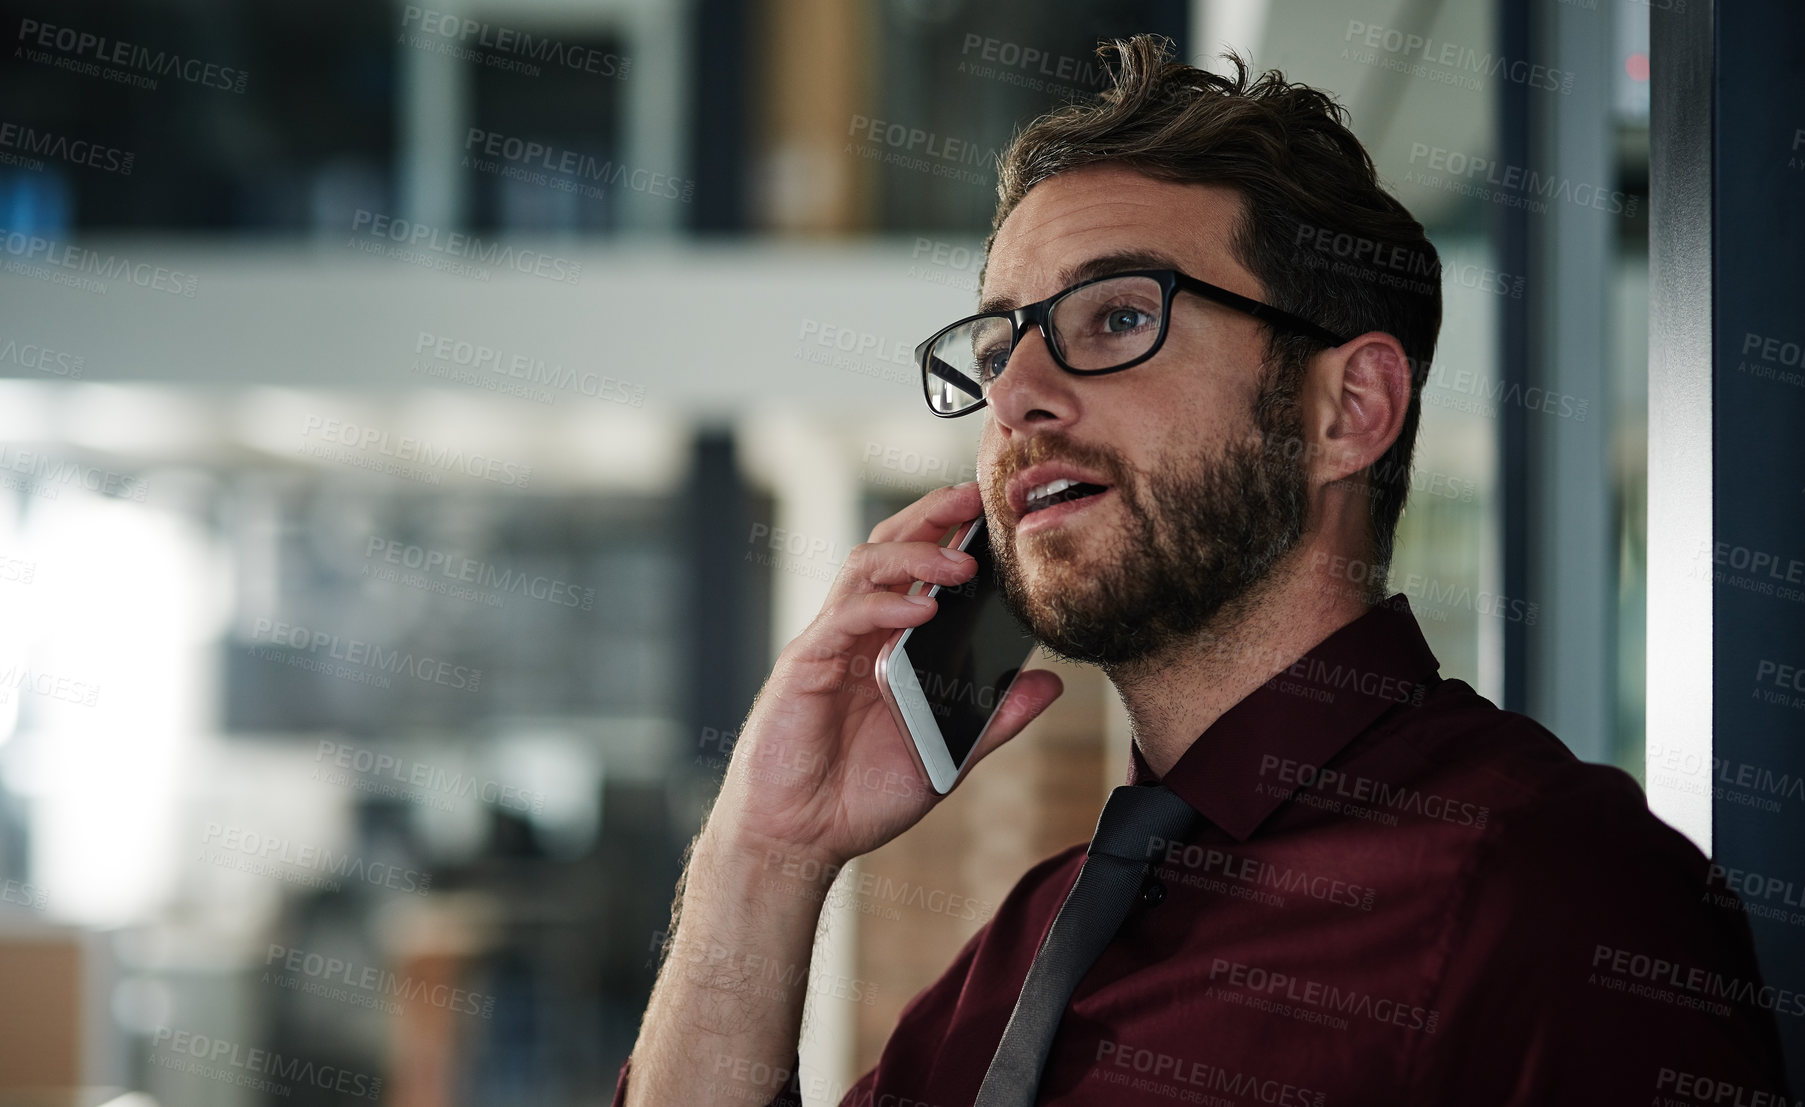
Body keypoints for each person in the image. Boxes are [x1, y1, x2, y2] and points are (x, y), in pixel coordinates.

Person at [616, 35, 1792, 1106]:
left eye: (1118, 317)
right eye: (996, 344)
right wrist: (763, 854)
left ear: (1348, 409)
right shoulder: (1030, 948)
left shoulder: (1549, 897)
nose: (1017, 395)